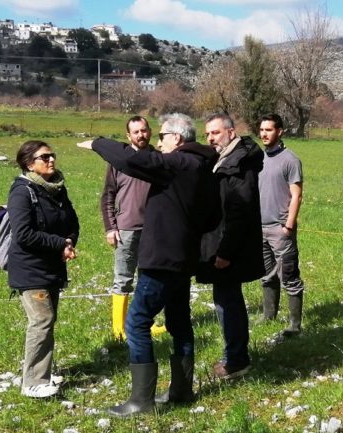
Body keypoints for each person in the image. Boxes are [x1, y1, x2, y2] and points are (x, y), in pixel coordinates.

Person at [77, 113, 221, 417]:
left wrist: (98, 143)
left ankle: (141, 401)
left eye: (162, 137)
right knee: (179, 322)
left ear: (177, 139)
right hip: (183, 257)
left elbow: (133, 161)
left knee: (137, 322)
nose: (158, 143)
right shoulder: (204, 166)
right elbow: (211, 217)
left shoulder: (180, 163)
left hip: (163, 259)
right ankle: (182, 390)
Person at [8, 140, 79, 399]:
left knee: (47, 321)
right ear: (29, 164)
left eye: (53, 155)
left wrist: (69, 241)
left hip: (52, 266)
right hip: (30, 269)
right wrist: (60, 243)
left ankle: (44, 373)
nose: (51, 160)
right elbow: (24, 234)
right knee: (42, 321)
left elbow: (71, 219)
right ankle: (33, 382)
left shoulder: (57, 189)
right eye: (44, 157)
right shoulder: (21, 192)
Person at [197, 113, 265, 380]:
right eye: (207, 135)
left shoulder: (239, 163)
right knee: (226, 299)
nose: (210, 139)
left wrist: (225, 252)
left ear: (231, 133)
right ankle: (235, 356)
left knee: (228, 303)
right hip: (222, 242)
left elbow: (240, 210)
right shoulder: (226, 158)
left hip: (229, 247)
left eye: (215, 133)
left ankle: (236, 360)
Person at [100, 116, 153, 340]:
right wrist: (111, 228)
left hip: (154, 229)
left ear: (150, 132)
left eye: (144, 130)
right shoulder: (118, 162)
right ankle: (118, 330)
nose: (141, 135)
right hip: (127, 229)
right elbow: (107, 197)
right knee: (123, 279)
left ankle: (144, 324)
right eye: (136, 132)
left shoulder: (158, 159)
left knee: (149, 278)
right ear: (128, 136)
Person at [257, 113, 305, 336]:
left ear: (280, 131)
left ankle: (295, 325)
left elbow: (296, 195)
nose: (264, 133)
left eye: (269, 129)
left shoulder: (290, 160)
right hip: (260, 227)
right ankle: (269, 315)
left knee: (289, 276)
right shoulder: (258, 158)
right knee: (267, 275)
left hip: (280, 229)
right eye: (262, 129)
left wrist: (288, 225)